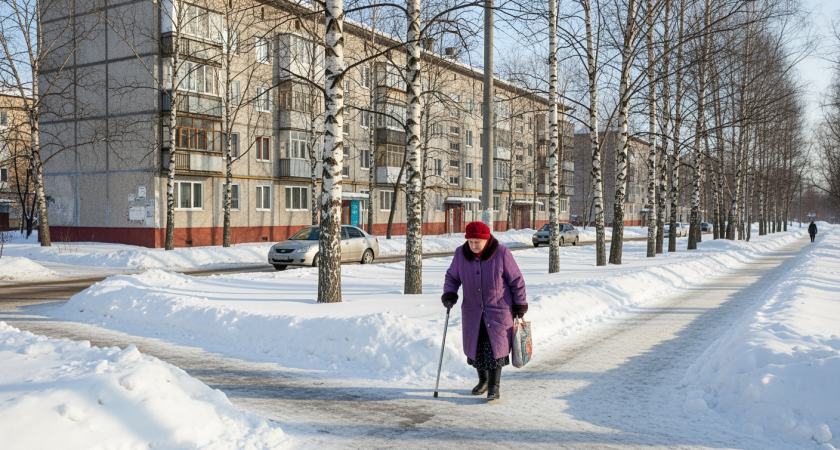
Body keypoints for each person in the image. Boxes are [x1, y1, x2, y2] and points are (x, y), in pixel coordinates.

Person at [441, 221, 527, 401]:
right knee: (477, 348)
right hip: (472, 311)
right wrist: (449, 294)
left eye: (477, 242)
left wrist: (520, 306)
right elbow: (452, 276)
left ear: (486, 240)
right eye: (470, 242)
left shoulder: (502, 253)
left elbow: (517, 281)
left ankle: (494, 387)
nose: (473, 246)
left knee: (495, 349)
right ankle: (483, 381)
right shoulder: (460, 254)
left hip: (498, 311)